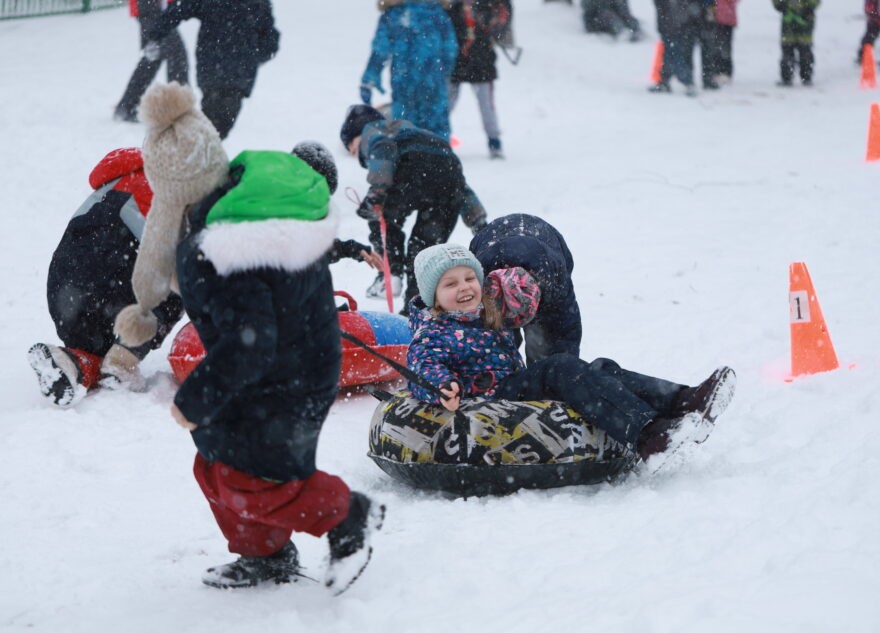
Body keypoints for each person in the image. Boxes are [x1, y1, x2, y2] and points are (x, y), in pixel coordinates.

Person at [115, 82, 385, 592]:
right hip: (276, 363)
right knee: (214, 464)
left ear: (174, 187)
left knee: (254, 480)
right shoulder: (235, 199)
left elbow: (250, 339)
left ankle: (349, 516)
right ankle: (267, 556)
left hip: (287, 375)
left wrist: (197, 396)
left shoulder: (224, 244)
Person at [406, 243, 737, 472]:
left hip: (513, 387)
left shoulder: (486, 313)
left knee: (600, 369)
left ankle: (682, 400)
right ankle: (648, 436)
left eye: (469, 278)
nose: (464, 287)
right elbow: (421, 364)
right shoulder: (433, 331)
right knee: (560, 368)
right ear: (432, 295)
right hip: (490, 400)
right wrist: (441, 385)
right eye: (450, 283)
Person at [27, 147, 184, 408]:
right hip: (115, 296)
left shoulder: (111, 185)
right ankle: (123, 362)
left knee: (95, 346)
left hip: (65, 299)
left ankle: (73, 363)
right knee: (181, 284)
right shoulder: (162, 189)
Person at [340, 104, 487, 312]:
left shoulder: (373, 130)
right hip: (448, 167)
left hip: (412, 169)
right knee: (424, 248)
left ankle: (390, 275)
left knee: (380, 217)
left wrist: (376, 193)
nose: (355, 154)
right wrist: (477, 219)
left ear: (356, 133)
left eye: (352, 147)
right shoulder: (418, 133)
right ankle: (414, 307)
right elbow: (459, 186)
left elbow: (383, 148)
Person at [141, 0, 280, 139]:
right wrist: (255, 57)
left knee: (212, 124)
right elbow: (270, 38)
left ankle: (196, 150)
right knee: (218, 126)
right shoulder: (259, 3)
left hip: (213, 66)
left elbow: (179, 10)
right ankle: (198, 150)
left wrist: (154, 35)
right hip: (236, 72)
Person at [469, 213, 581, 365]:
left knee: (547, 353)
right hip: (493, 237)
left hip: (547, 240)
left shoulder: (555, 280)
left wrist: (561, 369)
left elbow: (566, 332)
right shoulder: (476, 274)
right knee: (497, 350)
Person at [359, 0, 459, 141]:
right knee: (436, 128)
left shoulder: (394, 13)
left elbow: (380, 49)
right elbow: (450, 50)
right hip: (433, 81)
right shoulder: (437, 13)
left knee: (404, 128)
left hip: (404, 81)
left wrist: (369, 79)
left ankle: (407, 156)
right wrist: (443, 71)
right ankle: (441, 158)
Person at [446, 0, 511, 158]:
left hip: (482, 62)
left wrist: (493, 28)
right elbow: (444, 27)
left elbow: (503, 17)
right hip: (457, 62)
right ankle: (439, 140)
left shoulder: (490, 5)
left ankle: (494, 141)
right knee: (446, 104)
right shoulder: (453, 7)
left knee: (486, 105)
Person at [114, 0, 189, 123]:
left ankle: (127, 106)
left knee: (153, 58)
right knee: (176, 56)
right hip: (150, 7)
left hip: (152, 7)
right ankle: (178, 108)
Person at [649, 0, 703, 96]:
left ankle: (686, 81)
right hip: (674, 24)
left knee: (675, 55)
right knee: (670, 54)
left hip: (677, 24)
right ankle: (666, 80)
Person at [771, 0, 819, 87]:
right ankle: (787, 77)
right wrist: (785, 5)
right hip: (789, 24)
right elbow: (777, 5)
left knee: (805, 51)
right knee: (787, 51)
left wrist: (804, 6)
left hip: (805, 23)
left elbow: (814, 3)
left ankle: (806, 77)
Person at [858, 0, 880, 65]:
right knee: (869, 39)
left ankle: (863, 56)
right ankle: (863, 56)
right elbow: (869, 6)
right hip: (875, 20)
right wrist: (872, 15)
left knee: (869, 38)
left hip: (874, 19)